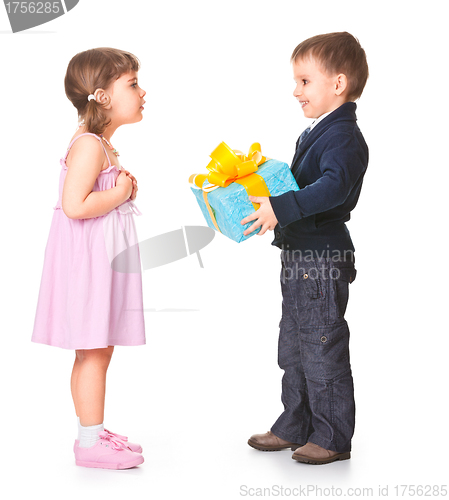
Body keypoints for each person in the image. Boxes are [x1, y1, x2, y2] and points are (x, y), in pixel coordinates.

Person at [241, 32, 369, 465]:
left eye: (304, 81)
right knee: (294, 344)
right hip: (300, 258)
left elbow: (332, 188)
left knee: (321, 343)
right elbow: (303, 184)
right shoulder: (316, 132)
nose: (295, 91)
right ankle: (295, 424)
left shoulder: (344, 137)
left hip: (322, 260)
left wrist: (282, 206)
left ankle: (332, 436)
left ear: (337, 84)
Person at [32, 47, 147, 470]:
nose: (142, 91)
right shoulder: (88, 145)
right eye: (132, 84)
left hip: (99, 263)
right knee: (94, 353)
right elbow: (75, 205)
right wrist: (120, 192)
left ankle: (92, 432)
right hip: (89, 268)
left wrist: (122, 189)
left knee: (96, 352)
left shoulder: (101, 145)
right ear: (102, 96)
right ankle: (89, 443)